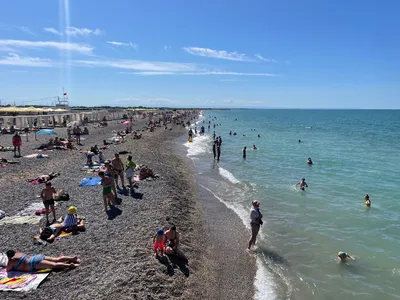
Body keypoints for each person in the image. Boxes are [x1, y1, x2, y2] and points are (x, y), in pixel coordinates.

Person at [6, 250, 80, 271]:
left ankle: (69, 265)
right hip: (37, 256)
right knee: (56, 259)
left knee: (53, 265)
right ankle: (72, 258)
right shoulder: (19, 253)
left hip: (33, 263)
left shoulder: (11, 261)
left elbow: (7, 270)